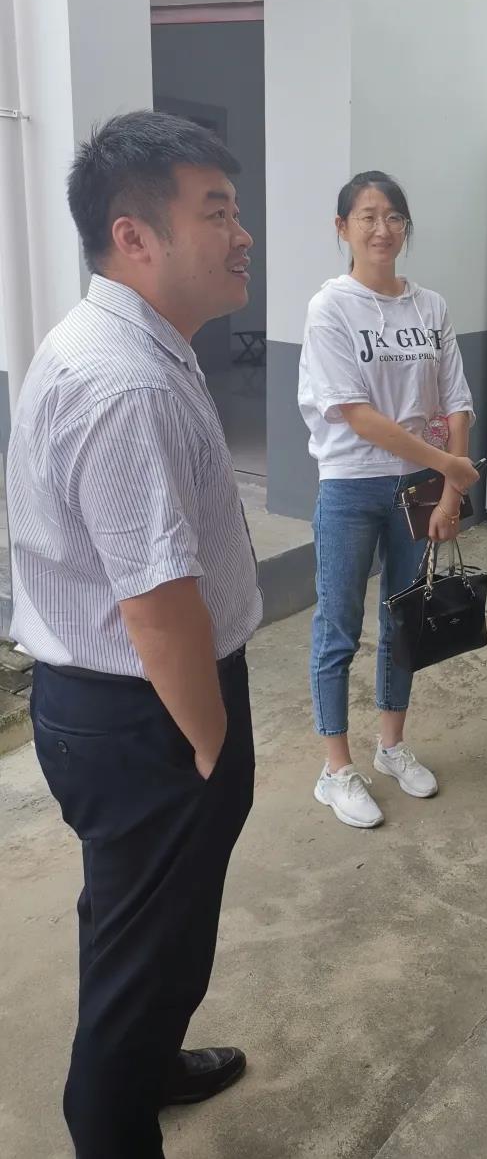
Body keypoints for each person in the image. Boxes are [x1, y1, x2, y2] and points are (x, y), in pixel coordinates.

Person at [7, 112, 262, 1158]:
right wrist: (208, 742)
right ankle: (112, 1111)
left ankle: (151, 1060)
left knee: (145, 930)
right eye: (218, 212)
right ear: (135, 236)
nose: (242, 234)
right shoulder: (126, 381)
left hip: (126, 711)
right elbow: (156, 608)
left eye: (235, 211)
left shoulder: (136, 342)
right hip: (146, 716)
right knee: (143, 952)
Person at [299, 171, 477, 829]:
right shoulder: (330, 308)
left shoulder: (431, 307)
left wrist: (448, 490)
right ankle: (335, 769)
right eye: (368, 216)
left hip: (418, 488)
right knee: (338, 627)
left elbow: (456, 399)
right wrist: (448, 465)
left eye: (394, 216)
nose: (382, 229)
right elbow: (355, 413)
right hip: (351, 485)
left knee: (405, 618)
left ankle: (391, 746)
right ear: (342, 227)